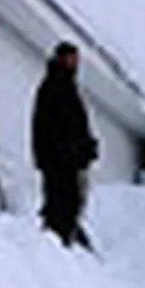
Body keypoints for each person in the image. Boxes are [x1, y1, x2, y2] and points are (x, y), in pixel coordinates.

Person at [31, 41, 99, 249]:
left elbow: (77, 125)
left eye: (76, 60)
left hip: (69, 159)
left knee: (73, 199)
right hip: (59, 160)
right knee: (61, 199)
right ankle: (58, 236)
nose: (74, 63)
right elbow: (53, 127)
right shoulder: (54, 86)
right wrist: (73, 150)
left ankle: (68, 233)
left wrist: (87, 146)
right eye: (71, 59)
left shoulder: (68, 87)